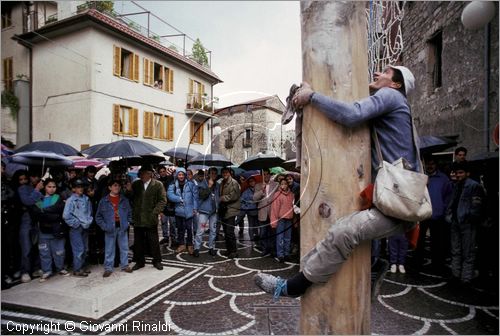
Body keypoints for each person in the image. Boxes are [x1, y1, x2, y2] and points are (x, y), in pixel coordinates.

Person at [255, 65, 419, 299]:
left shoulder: (390, 95)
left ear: (396, 84)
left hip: (398, 203)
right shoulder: (396, 106)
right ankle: (375, 266)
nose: (377, 73)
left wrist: (312, 96)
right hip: (400, 202)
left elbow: (352, 115)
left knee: (344, 231)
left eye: (385, 72)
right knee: (352, 234)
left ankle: (292, 288)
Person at [446, 161, 484, 286]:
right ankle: (456, 275)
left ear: (467, 173)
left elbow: (476, 206)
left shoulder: (474, 186)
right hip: (455, 222)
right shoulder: (456, 185)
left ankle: (466, 278)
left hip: (468, 224)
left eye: (461, 172)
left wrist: (470, 218)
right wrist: (449, 216)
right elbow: (452, 203)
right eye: (457, 173)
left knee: (468, 252)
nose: (458, 175)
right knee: (455, 250)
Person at [415, 156, 452, 273]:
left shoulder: (443, 179)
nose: (430, 166)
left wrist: (443, 208)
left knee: (436, 241)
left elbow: (448, 196)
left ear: (436, 165)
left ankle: (436, 265)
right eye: (428, 164)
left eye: (432, 164)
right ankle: (418, 263)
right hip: (421, 214)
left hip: (437, 215)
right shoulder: (421, 177)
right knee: (419, 240)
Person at [126, 164, 166, 271]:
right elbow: (130, 198)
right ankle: (140, 261)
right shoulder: (136, 184)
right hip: (138, 217)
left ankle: (157, 261)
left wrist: (155, 212)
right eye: (140, 173)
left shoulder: (158, 185)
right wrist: (129, 191)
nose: (141, 175)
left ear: (149, 174)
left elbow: (162, 200)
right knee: (138, 241)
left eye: (143, 173)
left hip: (150, 218)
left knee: (154, 241)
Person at [30, 178, 69, 282]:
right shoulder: (40, 199)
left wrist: (43, 211)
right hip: (43, 231)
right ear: (44, 187)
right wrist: (50, 214)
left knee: (59, 252)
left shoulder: (59, 198)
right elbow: (36, 214)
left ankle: (60, 268)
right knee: (44, 252)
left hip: (57, 230)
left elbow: (59, 212)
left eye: (54, 187)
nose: (52, 189)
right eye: (49, 187)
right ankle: (46, 271)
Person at [96, 179, 133, 277]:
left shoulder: (124, 200)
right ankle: (108, 268)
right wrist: (104, 226)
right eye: (114, 185)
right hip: (109, 228)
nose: (116, 187)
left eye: (118, 186)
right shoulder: (104, 201)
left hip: (122, 227)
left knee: (124, 248)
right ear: (109, 187)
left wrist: (128, 222)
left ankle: (125, 265)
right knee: (109, 249)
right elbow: (98, 217)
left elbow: (130, 213)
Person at [63, 178, 93, 277]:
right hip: (76, 228)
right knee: (78, 249)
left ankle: (82, 267)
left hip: (85, 226)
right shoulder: (71, 200)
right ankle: (77, 269)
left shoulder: (86, 198)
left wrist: (89, 220)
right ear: (73, 189)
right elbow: (66, 215)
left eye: (81, 187)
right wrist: (76, 223)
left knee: (85, 248)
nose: (80, 189)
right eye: (78, 187)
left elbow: (89, 212)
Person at [167, 167, 198, 255]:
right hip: (178, 210)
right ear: (177, 175)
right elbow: (169, 195)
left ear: (185, 175)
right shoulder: (173, 185)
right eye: (179, 175)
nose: (181, 176)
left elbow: (195, 197)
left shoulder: (190, 184)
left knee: (189, 229)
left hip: (189, 210)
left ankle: (190, 245)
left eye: (182, 174)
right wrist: (179, 199)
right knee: (180, 229)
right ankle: (181, 244)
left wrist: (195, 208)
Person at [253, 168, 278, 256]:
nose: (266, 176)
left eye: (267, 174)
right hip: (262, 212)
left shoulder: (276, 185)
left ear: (270, 175)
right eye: (264, 174)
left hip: (272, 212)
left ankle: (272, 249)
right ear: (262, 176)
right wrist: (261, 191)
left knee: (272, 232)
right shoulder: (258, 185)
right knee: (263, 232)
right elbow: (254, 199)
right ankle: (265, 248)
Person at [194, 169, 218, 257]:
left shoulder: (217, 185)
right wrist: (209, 186)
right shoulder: (202, 183)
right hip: (204, 211)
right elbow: (202, 195)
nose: (214, 175)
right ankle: (196, 248)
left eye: (215, 173)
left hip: (214, 212)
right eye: (212, 173)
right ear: (208, 174)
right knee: (200, 230)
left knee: (213, 230)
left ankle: (211, 247)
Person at [218, 166, 241, 258]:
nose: (225, 174)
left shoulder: (234, 183)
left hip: (231, 210)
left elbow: (234, 196)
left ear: (230, 173)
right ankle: (229, 250)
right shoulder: (222, 182)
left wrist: (222, 198)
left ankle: (234, 251)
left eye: (226, 173)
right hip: (224, 210)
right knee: (226, 232)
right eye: (223, 173)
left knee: (229, 232)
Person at [270, 178, 295, 263]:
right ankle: (280, 255)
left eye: (285, 184)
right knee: (280, 237)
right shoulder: (277, 194)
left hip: (289, 219)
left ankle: (286, 253)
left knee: (288, 237)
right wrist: (274, 221)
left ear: (288, 184)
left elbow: (294, 207)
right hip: (281, 219)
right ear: (279, 185)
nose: (283, 185)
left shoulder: (292, 194)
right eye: (281, 184)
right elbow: (274, 209)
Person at [158, 166, 176, 247]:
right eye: (161, 172)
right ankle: (165, 237)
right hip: (163, 206)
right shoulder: (158, 182)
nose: (162, 173)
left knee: (172, 223)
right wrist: (160, 210)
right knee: (164, 223)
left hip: (171, 205)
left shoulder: (171, 179)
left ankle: (173, 238)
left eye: (163, 171)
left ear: (166, 171)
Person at [237, 177, 259, 241]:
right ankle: (252, 239)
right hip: (250, 211)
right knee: (251, 225)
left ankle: (257, 237)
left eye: (253, 181)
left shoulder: (259, 189)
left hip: (259, 211)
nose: (252, 182)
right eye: (250, 181)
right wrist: (248, 203)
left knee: (257, 225)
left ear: (255, 181)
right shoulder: (246, 191)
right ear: (249, 183)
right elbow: (241, 199)